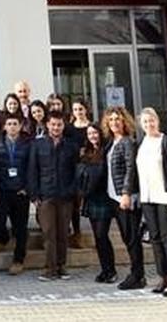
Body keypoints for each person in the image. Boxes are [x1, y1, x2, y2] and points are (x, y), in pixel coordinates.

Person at [128, 107, 167, 297]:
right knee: (155, 238)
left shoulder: (165, 141)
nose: (148, 124)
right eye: (145, 122)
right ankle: (163, 277)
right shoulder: (141, 143)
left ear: (157, 121)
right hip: (148, 198)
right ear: (141, 125)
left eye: (151, 120)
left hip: (165, 197)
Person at [28, 110, 79, 282]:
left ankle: (62, 266)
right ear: (47, 125)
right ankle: (50, 269)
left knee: (63, 233)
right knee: (49, 233)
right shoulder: (38, 145)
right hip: (45, 196)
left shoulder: (71, 146)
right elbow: (32, 170)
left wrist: (72, 191)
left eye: (59, 124)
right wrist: (34, 195)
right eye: (53, 124)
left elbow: (76, 171)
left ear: (63, 126)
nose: (56, 127)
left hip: (65, 196)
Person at [102, 106, 146, 290]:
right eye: (111, 120)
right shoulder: (112, 142)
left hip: (125, 197)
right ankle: (137, 273)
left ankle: (138, 276)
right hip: (114, 197)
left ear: (124, 121)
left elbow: (130, 168)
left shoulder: (128, 142)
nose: (114, 123)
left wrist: (126, 193)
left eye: (117, 119)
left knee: (131, 238)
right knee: (127, 237)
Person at [0, 112, 32, 275]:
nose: (12, 127)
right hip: (3, 190)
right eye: (9, 124)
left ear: (20, 126)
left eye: (15, 124)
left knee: (20, 227)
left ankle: (18, 260)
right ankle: (4, 240)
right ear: (4, 127)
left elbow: (31, 167)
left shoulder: (28, 144)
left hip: (21, 191)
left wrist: (27, 187)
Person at [76, 124, 116, 284]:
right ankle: (104, 270)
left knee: (102, 234)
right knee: (97, 237)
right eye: (89, 133)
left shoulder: (107, 150)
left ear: (100, 134)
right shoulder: (85, 152)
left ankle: (111, 270)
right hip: (90, 197)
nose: (92, 136)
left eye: (95, 133)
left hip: (104, 197)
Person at [67, 97, 94, 247]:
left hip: (89, 167)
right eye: (75, 109)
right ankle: (77, 232)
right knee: (75, 203)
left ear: (86, 110)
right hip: (73, 168)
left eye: (80, 109)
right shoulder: (69, 128)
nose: (78, 112)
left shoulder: (92, 126)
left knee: (89, 200)